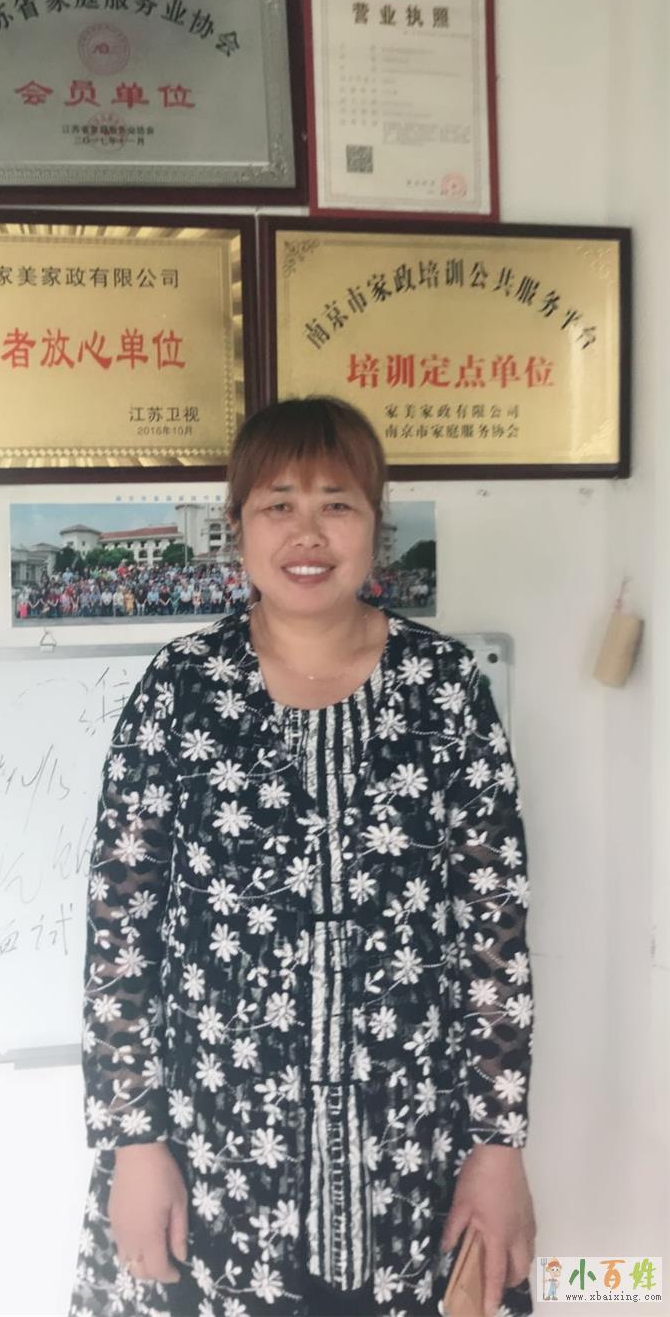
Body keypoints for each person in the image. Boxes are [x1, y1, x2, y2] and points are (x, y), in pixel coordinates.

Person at [70, 396, 536, 1317]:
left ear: (375, 525)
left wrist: (498, 1144)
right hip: (211, 1148)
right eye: (278, 504)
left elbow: (495, 932)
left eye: (338, 503)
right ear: (237, 527)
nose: (307, 532)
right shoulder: (180, 690)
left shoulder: (444, 689)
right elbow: (121, 935)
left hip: (412, 1149)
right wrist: (133, 1142)